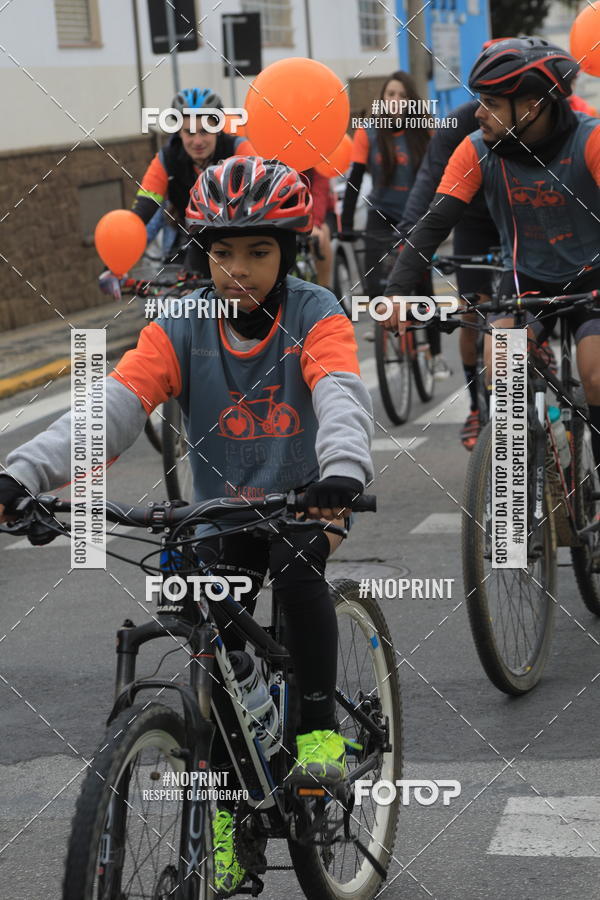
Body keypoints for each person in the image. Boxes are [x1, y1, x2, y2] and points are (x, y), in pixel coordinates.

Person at [0, 156, 374, 895]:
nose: (238, 269)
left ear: (286, 251)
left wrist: (342, 472)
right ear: (202, 255)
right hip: (217, 516)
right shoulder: (180, 324)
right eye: (222, 251)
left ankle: (321, 736)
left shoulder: (315, 311)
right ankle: (234, 811)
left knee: (299, 573)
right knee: (204, 624)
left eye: (258, 251)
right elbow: (109, 409)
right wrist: (23, 475)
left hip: (304, 503)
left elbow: (340, 393)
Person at [382, 37, 600, 469]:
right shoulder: (475, 150)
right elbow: (434, 224)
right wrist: (398, 290)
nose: (478, 113)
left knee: (595, 374)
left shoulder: (590, 141)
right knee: (499, 365)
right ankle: (521, 483)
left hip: (592, 280)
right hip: (525, 278)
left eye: (493, 103)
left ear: (534, 105)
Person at [340, 70, 450, 377]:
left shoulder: (424, 133)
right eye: (390, 95)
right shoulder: (368, 132)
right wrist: (346, 223)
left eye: (402, 95)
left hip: (418, 214)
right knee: (374, 274)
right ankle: (382, 319)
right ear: (382, 100)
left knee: (421, 281)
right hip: (382, 211)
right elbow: (355, 179)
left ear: (411, 101)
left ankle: (434, 352)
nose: (396, 101)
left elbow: (441, 178)